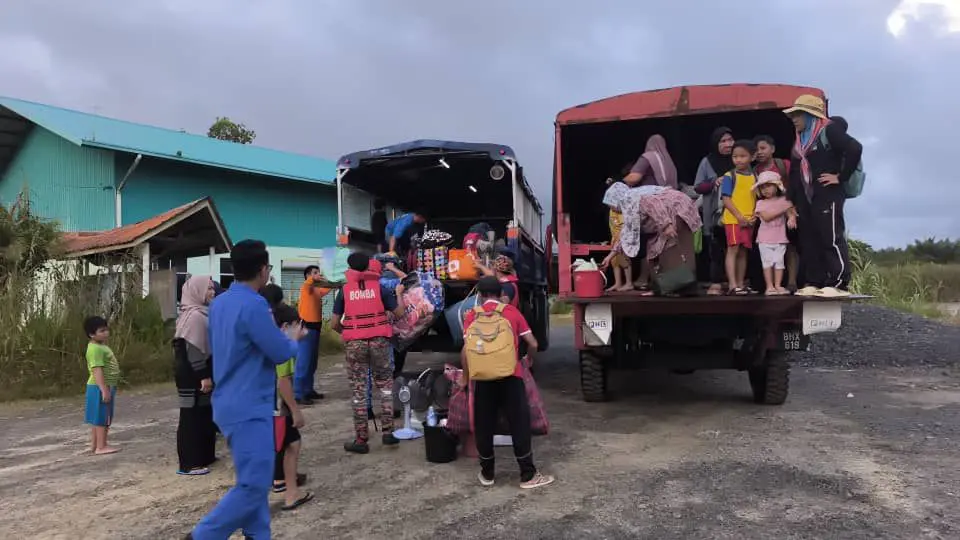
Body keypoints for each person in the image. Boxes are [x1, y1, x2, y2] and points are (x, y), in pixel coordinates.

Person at [188, 239, 307, 540]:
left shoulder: (220, 303)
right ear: (263, 270)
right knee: (254, 485)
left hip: (229, 402)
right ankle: (203, 536)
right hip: (249, 405)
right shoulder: (254, 305)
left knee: (252, 480)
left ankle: (257, 534)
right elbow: (279, 351)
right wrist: (293, 339)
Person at [461, 276, 554, 489]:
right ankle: (527, 475)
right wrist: (528, 360)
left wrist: (466, 378)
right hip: (511, 375)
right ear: (501, 293)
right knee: (519, 423)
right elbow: (533, 343)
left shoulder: (471, 316)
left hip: (482, 378)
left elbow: (466, 351)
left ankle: (487, 473)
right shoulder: (511, 312)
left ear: (479, 295)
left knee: (484, 424)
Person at [784, 95, 862, 296]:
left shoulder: (829, 131)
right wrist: (790, 201)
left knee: (831, 236)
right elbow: (794, 172)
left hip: (828, 194)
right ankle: (814, 281)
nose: (794, 119)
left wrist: (841, 177)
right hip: (806, 197)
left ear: (811, 115)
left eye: (798, 114)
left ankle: (839, 282)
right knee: (809, 239)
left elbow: (855, 148)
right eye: (793, 115)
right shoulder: (800, 141)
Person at [331, 253, 406, 454]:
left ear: (350, 268)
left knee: (359, 390)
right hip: (380, 342)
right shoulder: (380, 288)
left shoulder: (344, 291)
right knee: (385, 386)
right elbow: (400, 313)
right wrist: (399, 294)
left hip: (355, 344)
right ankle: (388, 433)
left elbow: (334, 324)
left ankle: (361, 439)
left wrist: (350, 332)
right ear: (368, 266)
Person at [600, 186, 703, 295]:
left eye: (611, 205)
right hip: (665, 219)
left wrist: (666, 225)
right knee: (653, 252)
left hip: (677, 209)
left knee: (671, 250)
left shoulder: (636, 198)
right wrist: (610, 257)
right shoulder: (630, 208)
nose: (612, 209)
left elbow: (655, 204)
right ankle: (662, 289)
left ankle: (680, 288)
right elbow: (626, 234)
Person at [268, 301, 314, 511]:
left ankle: (289, 488)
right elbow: (283, 382)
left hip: (272, 407)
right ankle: (290, 493)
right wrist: (295, 410)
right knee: (292, 445)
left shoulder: (272, 343)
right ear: (285, 327)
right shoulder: (283, 349)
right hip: (279, 408)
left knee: (291, 444)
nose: (301, 329)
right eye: (297, 325)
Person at [174, 275, 218, 476]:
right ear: (197, 291)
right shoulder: (195, 317)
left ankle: (205, 456)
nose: (212, 292)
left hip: (197, 371)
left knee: (204, 414)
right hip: (192, 374)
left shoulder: (200, 313)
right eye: (208, 288)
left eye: (212, 288)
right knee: (191, 416)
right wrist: (203, 376)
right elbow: (193, 349)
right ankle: (189, 463)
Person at [693, 127, 735, 295]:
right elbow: (698, 187)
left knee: (736, 247)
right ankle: (716, 282)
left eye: (730, 140)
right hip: (714, 213)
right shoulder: (707, 162)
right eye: (723, 141)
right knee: (716, 248)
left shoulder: (738, 158)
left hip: (737, 213)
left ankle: (735, 282)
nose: (728, 144)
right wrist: (713, 183)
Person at [754, 134, 798, 291]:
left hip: (788, 206)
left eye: (763, 148)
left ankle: (791, 281)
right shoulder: (755, 171)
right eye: (756, 150)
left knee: (790, 247)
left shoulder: (783, 164)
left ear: (772, 149)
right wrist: (782, 208)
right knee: (768, 256)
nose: (759, 152)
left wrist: (791, 210)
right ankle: (769, 285)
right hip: (771, 211)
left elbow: (795, 183)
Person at [719, 139, 759, 295]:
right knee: (733, 250)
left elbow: (756, 198)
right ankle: (732, 285)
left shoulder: (754, 176)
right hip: (733, 220)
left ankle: (741, 284)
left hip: (749, 220)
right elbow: (726, 199)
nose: (738, 160)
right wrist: (739, 216)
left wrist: (754, 215)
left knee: (743, 252)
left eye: (742, 156)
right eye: (735, 156)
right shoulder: (729, 176)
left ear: (752, 157)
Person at [83, 316, 120, 456]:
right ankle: (101, 446)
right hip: (100, 387)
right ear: (92, 334)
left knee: (98, 418)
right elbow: (97, 370)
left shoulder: (100, 347)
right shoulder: (96, 349)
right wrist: (104, 389)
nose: (106, 333)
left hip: (100, 387)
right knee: (103, 418)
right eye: (102, 331)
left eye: (106, 330)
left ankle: (95, 445)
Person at [296, 265, 330, 405]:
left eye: (318, 272)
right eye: (315, 272)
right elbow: (308, 283)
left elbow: (328, 287)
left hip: (315, 328)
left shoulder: (316, 290)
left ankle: (308, 390)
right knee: (303, 362)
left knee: (312, 362)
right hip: (306, 328)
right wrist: (313, 278)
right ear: (308, 276)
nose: (318, 274)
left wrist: (327, 278)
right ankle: (298, 393)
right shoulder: (306, 287)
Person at [603, 179, 633, 292]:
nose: (611, 207)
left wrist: (619, 240)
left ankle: (629, 283)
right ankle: (618, 283)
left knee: (624, 260)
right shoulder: (613, 210)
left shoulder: (624, 213)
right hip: (614, 238)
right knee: (614, 261)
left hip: (622, 239)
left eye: (613, 205)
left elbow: (624, 230)